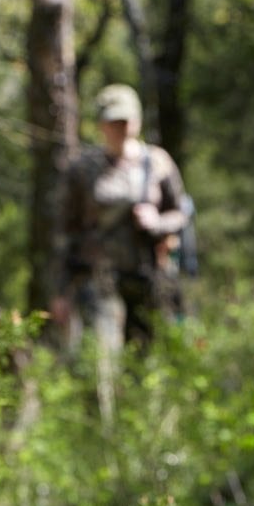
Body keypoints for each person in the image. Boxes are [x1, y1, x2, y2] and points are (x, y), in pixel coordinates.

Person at [53, 84, 187, 381]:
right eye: (114, 121)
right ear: (101, 124)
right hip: (98, 280)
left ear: (137, 121)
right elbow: (66, 231)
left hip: (147, 279)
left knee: (145, 365)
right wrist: (61, 290)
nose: (121, 128)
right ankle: (100, 424)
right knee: (100, 364)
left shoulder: (158, 163)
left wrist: (157, 222)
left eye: (126, 120)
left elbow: (181, 214)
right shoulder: (83, 168)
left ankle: (142, 424)